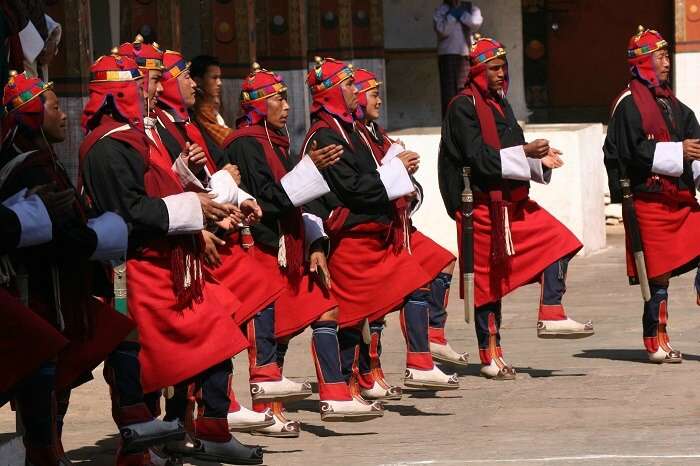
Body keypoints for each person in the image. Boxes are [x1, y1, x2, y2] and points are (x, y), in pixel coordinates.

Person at [80, 48, 263, 465]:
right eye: (144, 84)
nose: (154, 90)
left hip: (169, 260)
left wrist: (182, 176)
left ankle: (200, 428)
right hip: (138, 267)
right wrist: (195, 208)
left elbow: (152, 186)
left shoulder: (137, 132)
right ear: (119, 93)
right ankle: (141, 448)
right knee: (143, 362)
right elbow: (129, 209)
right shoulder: (107, 145)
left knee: (212, 338)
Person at [219, 62, 385, 425]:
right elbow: (265, 199)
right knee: (267, 332)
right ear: (260, 105)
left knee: (325, 308)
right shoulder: (246, 143)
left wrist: (315, 245)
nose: (288, 106)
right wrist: (309, 168)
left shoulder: (276, 142)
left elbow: (300, 198)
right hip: (259, 250)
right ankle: (261, 409)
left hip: (289, 248)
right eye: (278, 99)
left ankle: (335, 395)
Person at [438, 35, 594, 380]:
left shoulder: (501, 104)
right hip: (481, 207)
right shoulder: (462, 107)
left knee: (561, 242)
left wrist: (540, 160)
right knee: (488, 285)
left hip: (513, 204)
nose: (500, 74)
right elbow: (477, 157)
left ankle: (551, 310)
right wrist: (525, 154)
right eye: (493, 68)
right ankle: (490, 353)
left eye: (502, 67)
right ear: (478, 71)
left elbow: (514, 147)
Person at [302, 57, 459, 394]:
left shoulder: (352, 131)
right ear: (330, 92)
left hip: (379, 231)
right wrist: (314, 242)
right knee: (342, 316)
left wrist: (405, 182)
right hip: (349, 237)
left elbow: (366, 181)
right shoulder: (325, 135)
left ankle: (403, 360)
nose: (360, 94)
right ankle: (343, 386)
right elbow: (350, 189)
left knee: (386, 299)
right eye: (350, 86)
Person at [1, 70, 133, 465]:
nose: (64, 115)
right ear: (32, 114)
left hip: (59, 289)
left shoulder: (41, 158)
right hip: (38, 291)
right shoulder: (26, 165)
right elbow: (51, 231)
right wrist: (96, 237)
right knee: (43, 370)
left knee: (94, 350)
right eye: (54, 107)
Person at [152, 49, 285, 435]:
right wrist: (204, 219)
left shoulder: (182, 124)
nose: (197, 83)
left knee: (224, 324)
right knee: (176, 347)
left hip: (203, 233)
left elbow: (205, 181)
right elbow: (161, 191)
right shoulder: (158, 128)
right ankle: (175, 428)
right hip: (171, 250)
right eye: (188, 77)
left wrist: (233, 200)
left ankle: (211, 419)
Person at [347, 67, 467, 401]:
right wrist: (396, 166)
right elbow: (365, 181)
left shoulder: (375, 132)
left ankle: (432, 338)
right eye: (373, 94)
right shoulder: (351, 135)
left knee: (442, 262)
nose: (380, 100)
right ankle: (384, 368)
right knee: (397, 294)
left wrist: (404, 169)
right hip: (370, 232)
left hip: (399, 226)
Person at [603, 26, 700, 364]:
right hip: (648, 199)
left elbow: (694, 144)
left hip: (679, 199)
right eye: (659, 57)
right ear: (643, 62)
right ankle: (655, 337)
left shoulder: (674, 104)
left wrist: (692, 159)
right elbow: (631, 151)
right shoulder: (628, 104)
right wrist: (678, 151)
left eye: (666, 55)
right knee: (657, 275)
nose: (666, 62)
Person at [434, 0, 483, 117]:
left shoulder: (471, 8)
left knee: (465, 89)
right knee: (448, 91)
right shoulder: (441, 10)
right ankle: (449, 121)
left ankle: (465, 119)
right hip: (447, 54)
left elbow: (476, 23)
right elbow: (442, 31)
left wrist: (463, 15)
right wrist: (451, 15)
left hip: (465, 54)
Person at [190, 54, 232, 147]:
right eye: (214, 78)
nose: (219, 83)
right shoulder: (199, 106)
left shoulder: (210, 102)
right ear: (198, 80)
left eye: (219, 78)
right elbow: (227, 139)